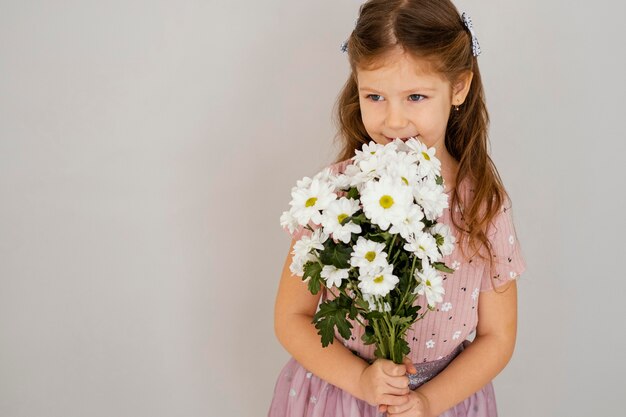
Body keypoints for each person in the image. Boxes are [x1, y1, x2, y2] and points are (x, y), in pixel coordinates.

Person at [268, 1, 526, 416]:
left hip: (440, 403)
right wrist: (359, 379)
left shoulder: (482, 206)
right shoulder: (333, 196)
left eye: (416, 97)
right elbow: (291, 317)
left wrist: (427, 401)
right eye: (375, 96)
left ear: (459, 88)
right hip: (339, 396)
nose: (393, 120)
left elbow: (498, 337)